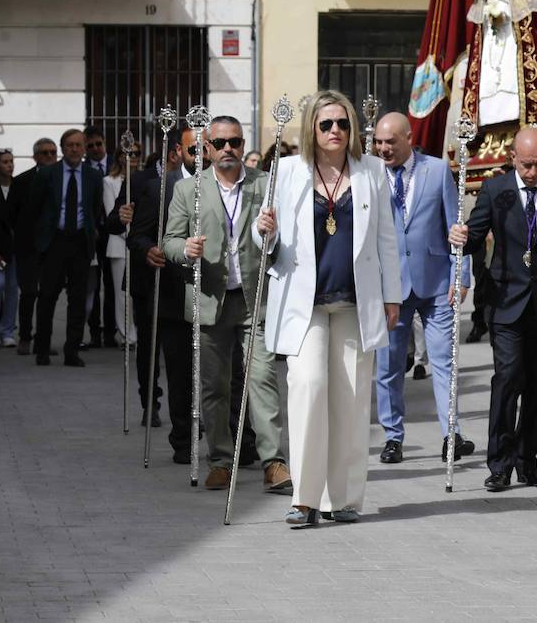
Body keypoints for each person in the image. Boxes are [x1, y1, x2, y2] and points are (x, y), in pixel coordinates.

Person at [252, 91, 401, 526]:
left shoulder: (371, 171)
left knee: (352, 400)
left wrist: (392, 295)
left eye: (341, 123)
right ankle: (304, 497)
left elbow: (386, 240)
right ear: (311, 130)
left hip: (356, 300)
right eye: (325, 124)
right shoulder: (287, 173)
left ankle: (345, 498)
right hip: (307, 303)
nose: (334, 131)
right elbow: (269, 244)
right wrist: (265, 232)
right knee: (308, 390)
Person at [164, 115, 292, 495]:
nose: (227, 150)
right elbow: (169, 241)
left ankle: (273, 462)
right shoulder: (190, 190)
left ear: (242, 144)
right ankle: (220, 459)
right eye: (219, 144)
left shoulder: (264, 185)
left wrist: (274, 232)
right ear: (206, 148)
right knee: (214, 387)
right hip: (209, 300)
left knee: (263, 380)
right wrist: (185, 250)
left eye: (234, 142)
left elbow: (284, 241)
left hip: (254, 299)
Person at [449, 126, 537, 492]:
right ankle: (500, 463)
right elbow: (474, 239)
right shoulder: (497, 191)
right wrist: (460, 236)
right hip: (505, 303)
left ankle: (527, 460)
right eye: (525, 165)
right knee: (507, 379)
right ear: (513, 159)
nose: (532, 172)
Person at [370, 112, 473, 466]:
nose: (384, 149)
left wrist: (462, 275)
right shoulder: (370, 175)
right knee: (388, 367)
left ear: (409, 138)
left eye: (390, 142)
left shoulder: (436, 170)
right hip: (390, 288)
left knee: (445, 361)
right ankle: (392, 436)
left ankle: (451, 434)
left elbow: (456, 225)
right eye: (379, 143)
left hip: (435, 283)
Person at [109, 132, 193, 449]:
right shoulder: (143, 181)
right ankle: (150, 402)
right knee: (149, 347)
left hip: (190, 284)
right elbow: (123, 228)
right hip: (152, 281)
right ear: (174, 151)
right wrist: (123, 220)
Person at [29, 128, 105, 366]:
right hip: (54, 242)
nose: (74, 149)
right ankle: (42, 348)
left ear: (84, 149)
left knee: (78, 299)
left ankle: (72, 350)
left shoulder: (92, 176)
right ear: (62, 149)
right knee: (48, 296)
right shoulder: (48, 174)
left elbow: (94, 209)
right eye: (70, 145)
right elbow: (35, 209)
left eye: (78, 145)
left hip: (80, 242)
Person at [8, 137, 58, 355]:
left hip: (54, 246)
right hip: (28, 247)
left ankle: (43, 341)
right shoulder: (21, 181)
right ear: (35, 156)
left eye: (52, 152)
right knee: (29, 293)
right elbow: (10, 215)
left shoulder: (63, 178)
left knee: (49, 294)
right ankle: (25, 336)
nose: (49, 156)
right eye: (44, 153)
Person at [82, 125, 116, 349]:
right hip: (93, 234)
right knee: (92, 286)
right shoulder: (83, 169)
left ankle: (110, 333)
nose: (95, 149)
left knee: (112, 285)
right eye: (90, 145)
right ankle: (94, 332)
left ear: (104, 143)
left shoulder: (116, 164)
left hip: (113, 233)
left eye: (98, 144)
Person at [101, 146, 134, 348]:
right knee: (122, 293)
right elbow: (110, 213)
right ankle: (125, 334)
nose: (132, 158)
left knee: (136, 293)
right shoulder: (109, 182)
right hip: (119, 243)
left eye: (137, 154)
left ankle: (134, 331)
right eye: (128, 154)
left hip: (139, 245)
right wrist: (132, 236)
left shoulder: (142, 180)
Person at [0, 149, 17, 347]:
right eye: (5, 162)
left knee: (12, 289)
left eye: (11, 161)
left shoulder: (18, 186)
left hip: (16, 247)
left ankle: (7, 330)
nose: (9, 165)